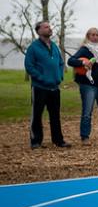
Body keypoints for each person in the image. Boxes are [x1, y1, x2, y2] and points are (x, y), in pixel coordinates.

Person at [24, 21, 71, 149]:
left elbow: (61, 63)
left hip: (55, 88)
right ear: (38, 31)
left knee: (55, 115)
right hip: (40, 87)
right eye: (46, 27)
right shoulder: (33, 48)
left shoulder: (54, 46)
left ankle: (58, 140)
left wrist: (59, 76)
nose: (49, 28)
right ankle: (36, 141)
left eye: (49, 27)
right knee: (37, 115)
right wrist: (42, 78)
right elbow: (29, 66)